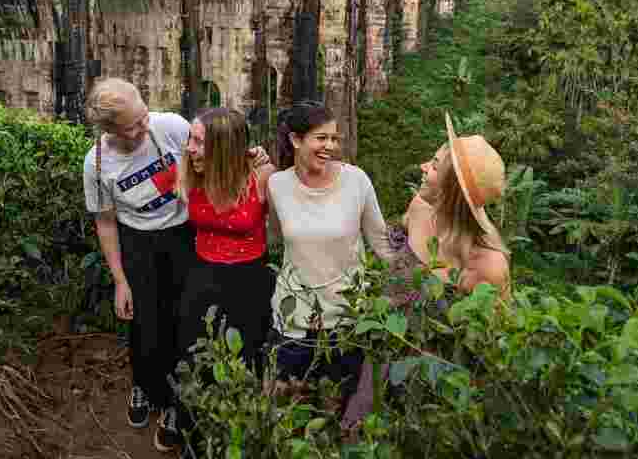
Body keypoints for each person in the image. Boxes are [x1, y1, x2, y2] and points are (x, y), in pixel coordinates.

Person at [341, 112, 510, 430]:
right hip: (379, 362)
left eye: (433, 164)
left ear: (450, 186)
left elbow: (492, 350)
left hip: (433, 387)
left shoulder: (488, 264)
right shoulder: (418, 210)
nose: (422, 166)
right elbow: (393, 249)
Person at [83, 78, 192, 453]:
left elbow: (207, 156)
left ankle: (180, 402)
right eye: (133, 126)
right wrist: (120, 280)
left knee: (185, 317)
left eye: (144, 116)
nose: (145, 128)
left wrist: (187, 178)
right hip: (138, 241)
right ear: (109, 129)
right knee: (145, 322)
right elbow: (106, 221)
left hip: (183, 234)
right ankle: (145, 386)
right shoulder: (97, 163)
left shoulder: (171, 126)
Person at [266, 101, 395, 401]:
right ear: (296, 140)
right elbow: (274, 239)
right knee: (284, 409)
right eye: (321, 138)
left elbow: (381, 242)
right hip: (292, 320)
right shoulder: (276, 185)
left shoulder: (356, 180)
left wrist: (422, 279)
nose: (330, 146)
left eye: (334, 138)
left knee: (338, 408)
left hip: (346, 320)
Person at [174, 107, 276, 444]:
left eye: (199, 141)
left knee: (246, 356)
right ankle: (194, 432)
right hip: (203, 274)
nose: (190, 147)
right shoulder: (191, 172)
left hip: (249, 280)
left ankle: (241, 434)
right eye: (190, 138)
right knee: (194, 354)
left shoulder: (259, 176)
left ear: (222, 147)